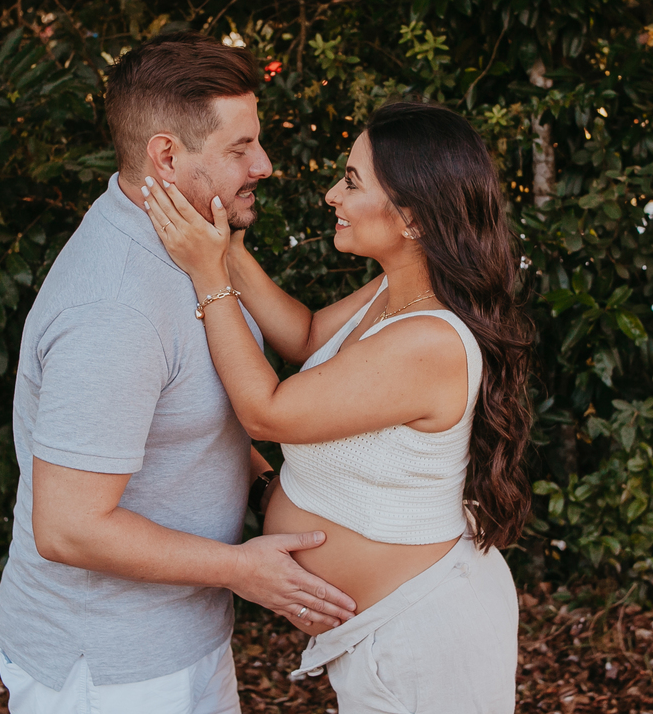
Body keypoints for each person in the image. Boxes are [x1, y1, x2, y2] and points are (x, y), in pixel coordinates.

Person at [0, 31, 356, 714]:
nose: (266, 164)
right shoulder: (114, 309)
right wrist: (245, 571)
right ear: (166, 154)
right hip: (107, 670)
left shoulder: (191, 248)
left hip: (179, 641)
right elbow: (69, 527)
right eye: (240, 148)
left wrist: (275, 481)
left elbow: (181, 413)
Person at [143, 100, 533, 713]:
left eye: (351, 182)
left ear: (413, 217)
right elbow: (303, 337)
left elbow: (267, 412)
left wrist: (206, 274)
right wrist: (222, 244)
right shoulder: (392, 290)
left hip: (425, 638)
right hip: (388, 636)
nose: (331, 195)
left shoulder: (429, 340)